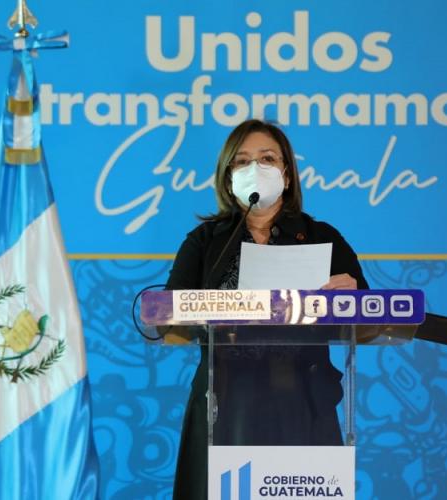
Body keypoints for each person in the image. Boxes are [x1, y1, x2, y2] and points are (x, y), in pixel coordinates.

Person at [165, 119, 369, 499]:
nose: (255, 169)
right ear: (228, 179)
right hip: (226, 404)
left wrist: (351, 295)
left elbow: (368, 315)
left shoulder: (323, 238)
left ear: (286, 175)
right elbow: (167, 316)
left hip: (302, 400)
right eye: (242, 161)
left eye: (267, 158)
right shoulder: (205, 242)